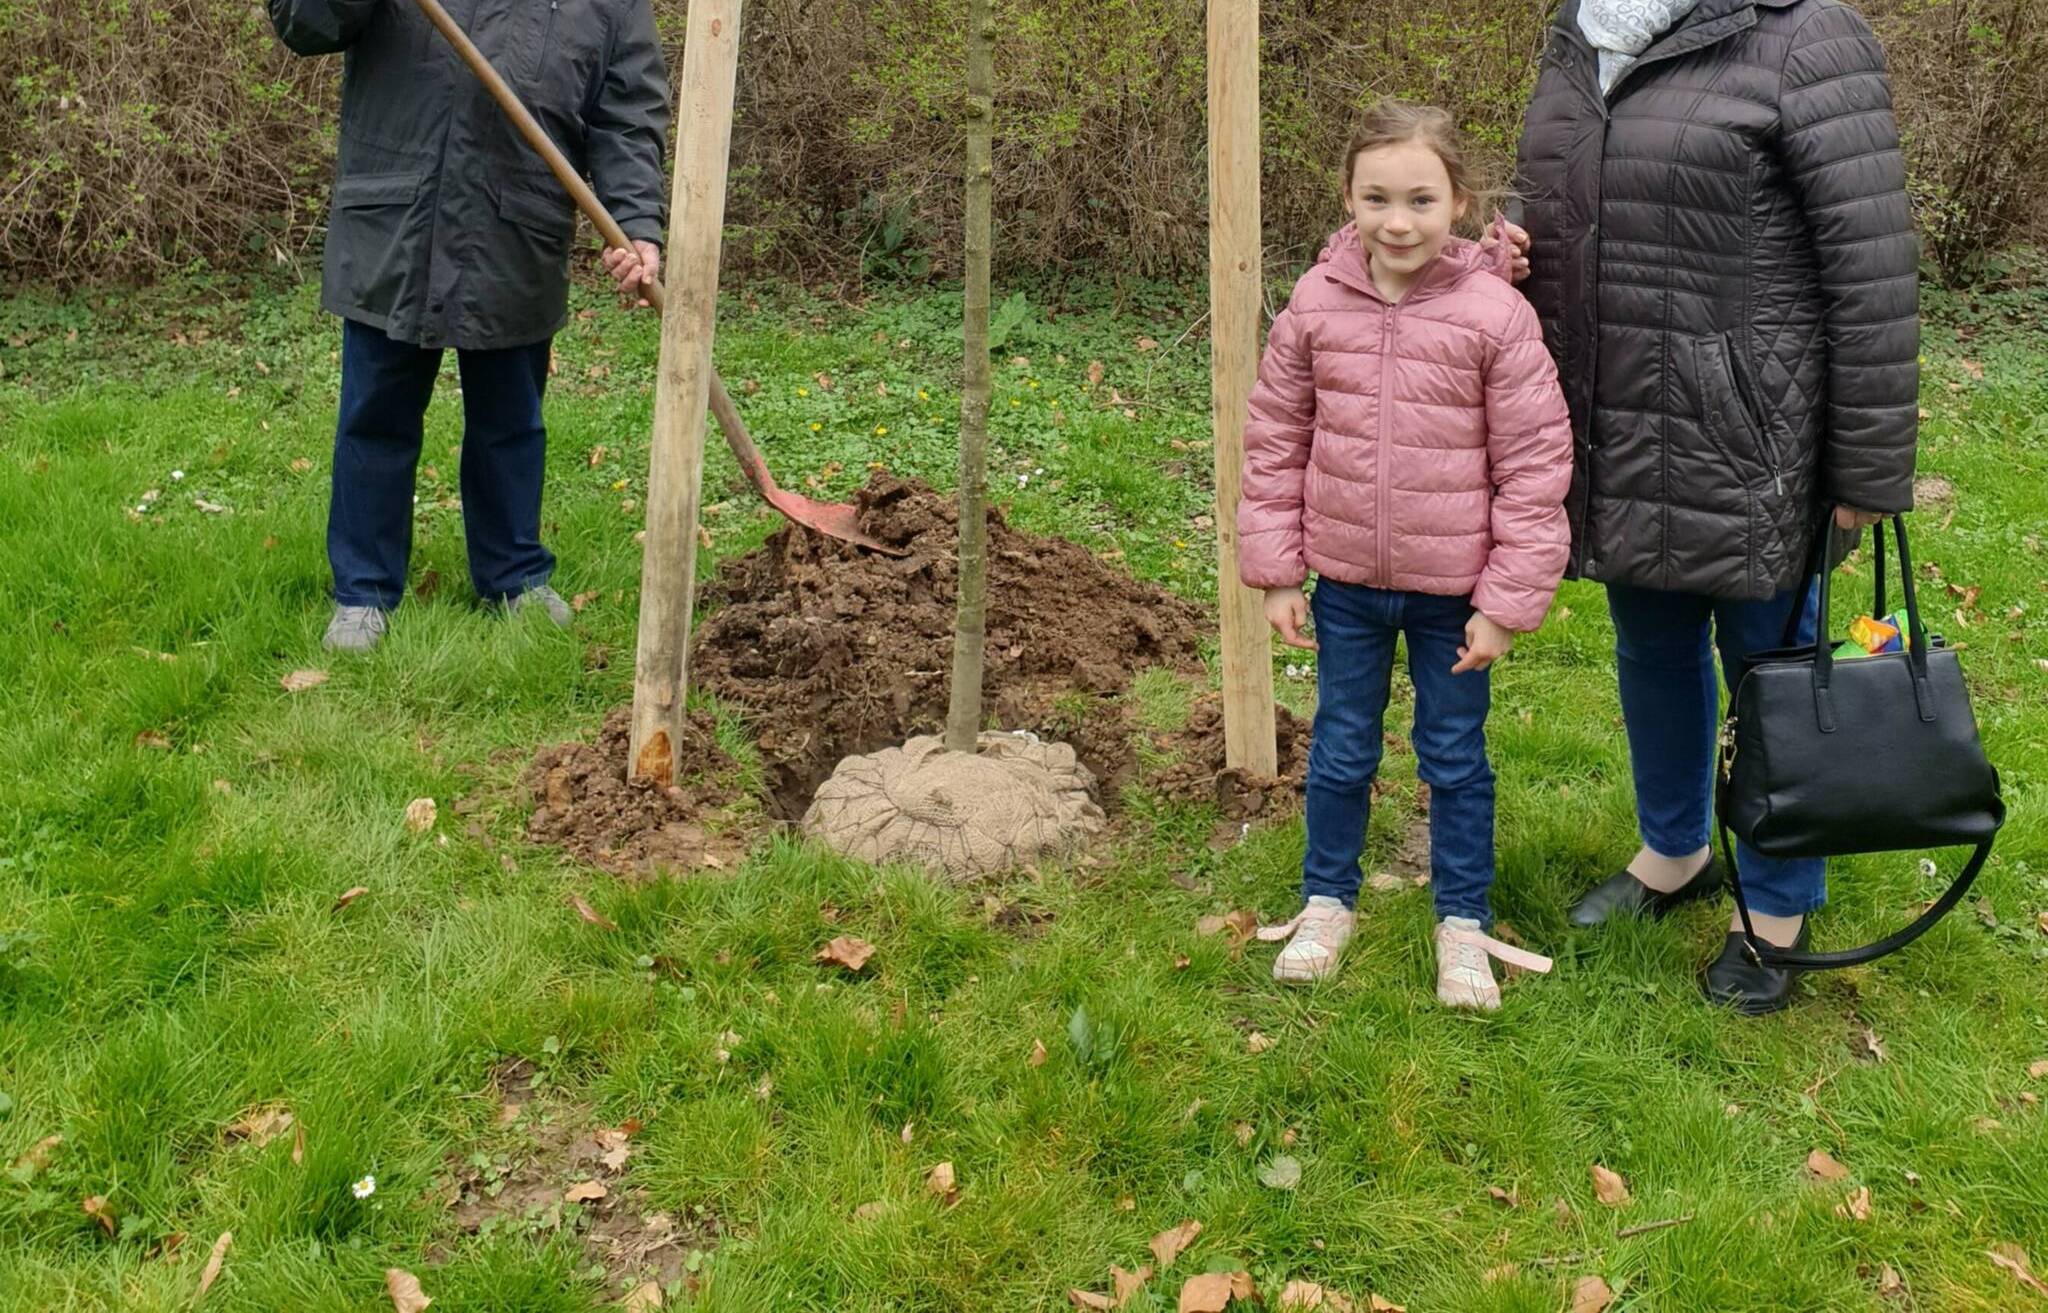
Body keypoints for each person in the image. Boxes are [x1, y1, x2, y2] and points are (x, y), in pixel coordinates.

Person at [1498, 0, 1918, 1012]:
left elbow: (1869, 266)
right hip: (1614, 414)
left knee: (1773, 669)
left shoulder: (1803, 34)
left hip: (1749, 430)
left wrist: (1864, 465)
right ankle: (1673, 849)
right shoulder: (1578, 31)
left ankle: (1774, 905)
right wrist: (1501, 244)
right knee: (1647, 643)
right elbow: (1562, 195)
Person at [1239, 102, 1572, 1009]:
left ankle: (1462, 920)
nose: (1397, 220)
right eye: (1377, 196)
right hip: (1344, 586)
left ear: (1457, 202)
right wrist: (1275, 570)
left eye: (1420, 198)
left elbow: (1535, 466)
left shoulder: (1495, 316)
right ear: (1347, 196)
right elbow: (1276, 436)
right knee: (1341, 749)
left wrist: (1505, 601)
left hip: (1452, 596)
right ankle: (1326, 899)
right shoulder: (1315, 301)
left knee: (1454, 755)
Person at [267, 0, 672, 651]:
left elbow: (628, 119)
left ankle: (513, 578)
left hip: (516, 226)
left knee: (511, 422)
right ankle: (363, 591)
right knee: (376, 415)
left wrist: (637, 225)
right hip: (398, 220)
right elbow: (302, 25)